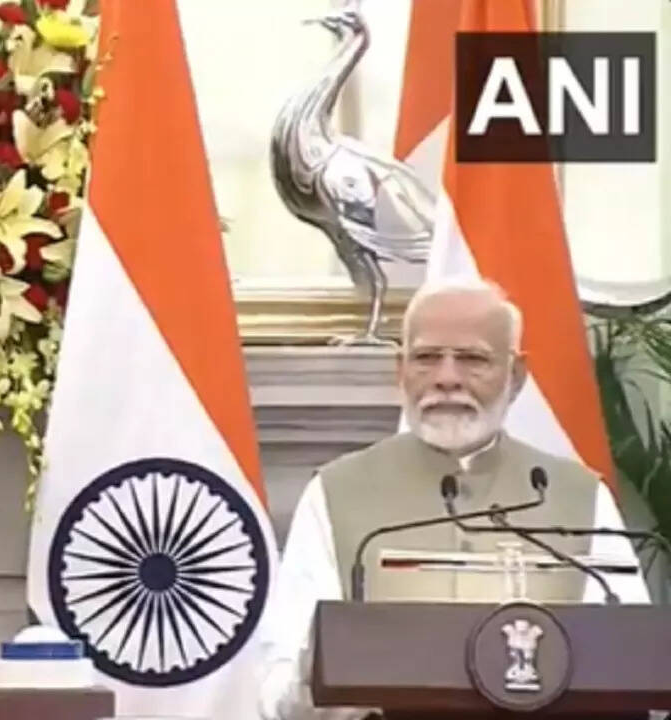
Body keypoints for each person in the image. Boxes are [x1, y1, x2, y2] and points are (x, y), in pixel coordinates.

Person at [256, 279, 650, 720]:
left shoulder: (578, 495)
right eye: (426, 358)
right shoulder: (336, 491)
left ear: (516, 376)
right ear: (400, 370)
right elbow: (279, 689)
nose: (447, 378)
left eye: (472, 359)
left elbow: (633, 669)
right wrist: (327, 675)